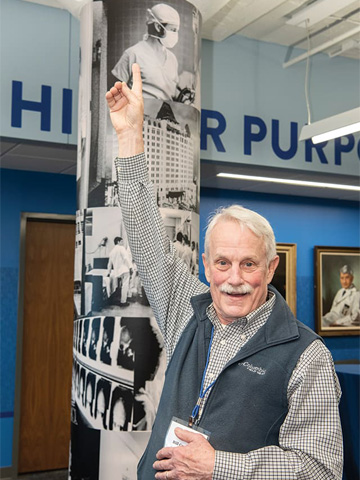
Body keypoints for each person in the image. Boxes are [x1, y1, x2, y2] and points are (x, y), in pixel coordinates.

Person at [105, 64, 343, 480]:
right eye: (223, 263)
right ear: (206, 266)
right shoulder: (187, 310)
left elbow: (320, 469)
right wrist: (129, 137)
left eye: (249, 264)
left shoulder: (308, 357)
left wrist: (220, 466)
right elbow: (144, 231)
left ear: (271, 268)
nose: (234, 278)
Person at [111, 3, 193, 103]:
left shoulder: (172, 59)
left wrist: (183, 98)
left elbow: (170, 93)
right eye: (173, 30)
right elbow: (113, 93)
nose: (176, 35)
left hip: (167, 116)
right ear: (158, 27)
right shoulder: (133, 54)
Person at [107, 236, 133, 306]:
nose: (123, 243)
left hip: (117, 272)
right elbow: (126, 258)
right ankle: (123, 301)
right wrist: (131, 267)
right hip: (124, 270)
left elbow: (109, 264)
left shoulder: (112, 252)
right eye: (122, 241)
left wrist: (108, 273)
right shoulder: (121, 248)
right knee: (125, 285)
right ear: (118, 242)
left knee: (121, 285)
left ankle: (119, 298)